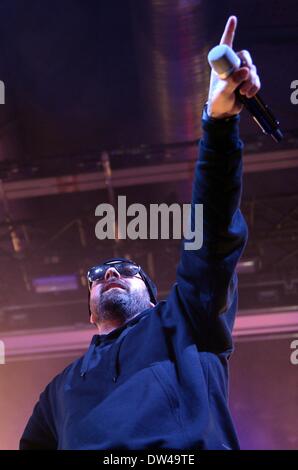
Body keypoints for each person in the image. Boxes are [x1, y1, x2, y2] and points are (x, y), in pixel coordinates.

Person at [19, 16, 260, 450]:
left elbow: (212, 236)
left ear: (153, 297)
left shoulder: (187, 323)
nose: (108, 274)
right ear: (91, 313)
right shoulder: (58, 392)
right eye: (97, 275)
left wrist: (219, 125)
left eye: (124, 270)